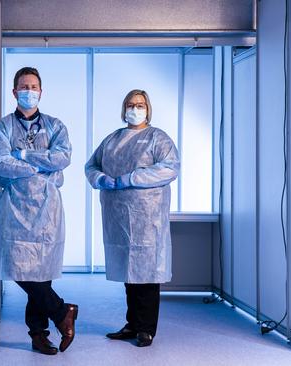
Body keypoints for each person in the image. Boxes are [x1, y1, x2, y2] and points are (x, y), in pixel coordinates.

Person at [0, 67, 78, 355]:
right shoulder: (2, 127)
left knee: (41, 273)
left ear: (41, 92)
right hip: (15, 208)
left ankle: (38, 335)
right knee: (19, 267)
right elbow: (0, 162)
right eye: (23, 86)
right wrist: (41, 166)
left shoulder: (55, 126)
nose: (29, 90)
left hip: (47, 210)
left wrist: (24, 156)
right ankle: (62, 311)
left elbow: (63, 158)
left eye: (34, 86)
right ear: (15, 92)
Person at [85, 89, 180, 347]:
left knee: (147, 275)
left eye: (139, 104)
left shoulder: (157, 138)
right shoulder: (113, 139)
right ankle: (132, 324)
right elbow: (91, 165)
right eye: (130, 104)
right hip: (119, 216)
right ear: (123, 108)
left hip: (147, 218)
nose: (134, 108)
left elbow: (170, 168)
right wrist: (101, 179)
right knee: (130, 273)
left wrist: (132, 178)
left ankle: (146, 329)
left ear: (148, 108)